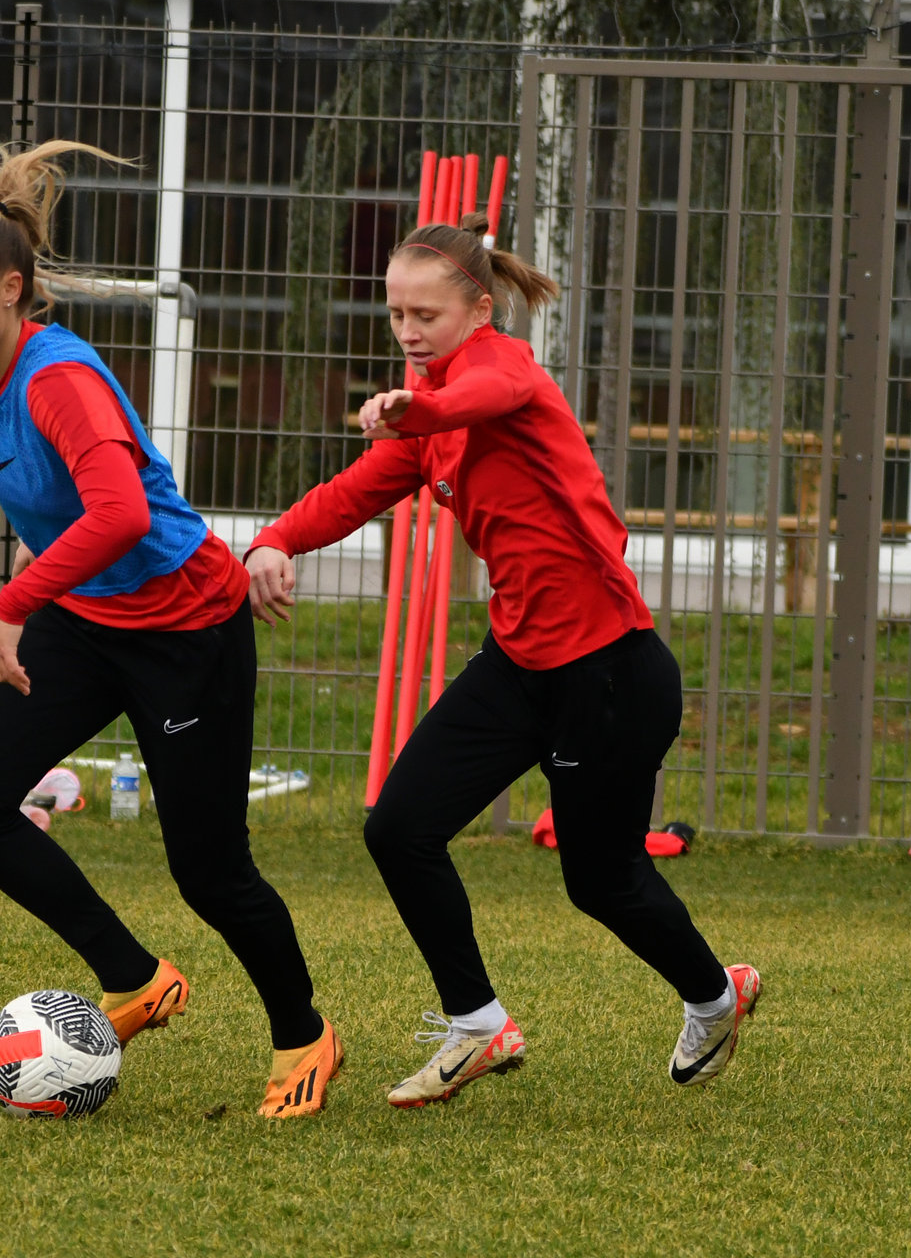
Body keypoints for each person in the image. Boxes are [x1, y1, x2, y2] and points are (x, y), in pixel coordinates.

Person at [244, 212, 760, 1108]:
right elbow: (354, 491)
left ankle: (716, 999)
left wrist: (417, 406)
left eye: (427, 316)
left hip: (608, 671)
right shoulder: (429, 414)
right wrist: (273, 541)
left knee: (602, 883)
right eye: (396, 315)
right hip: (518, 665)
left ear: (479, 310)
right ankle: (478, 1024)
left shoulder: (504, 370)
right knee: (398, 829)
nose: (409, 333)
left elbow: (474, 396)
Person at [0, 141, 339, 1119]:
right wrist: (39, 588)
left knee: (210, 872)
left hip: (189, 629)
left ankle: (305, 1035)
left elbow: (122, 514)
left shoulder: (59, 377)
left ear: (12, 291)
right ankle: (135, 976)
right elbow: (60, 514)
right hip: (89, 620)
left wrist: (13, 603)